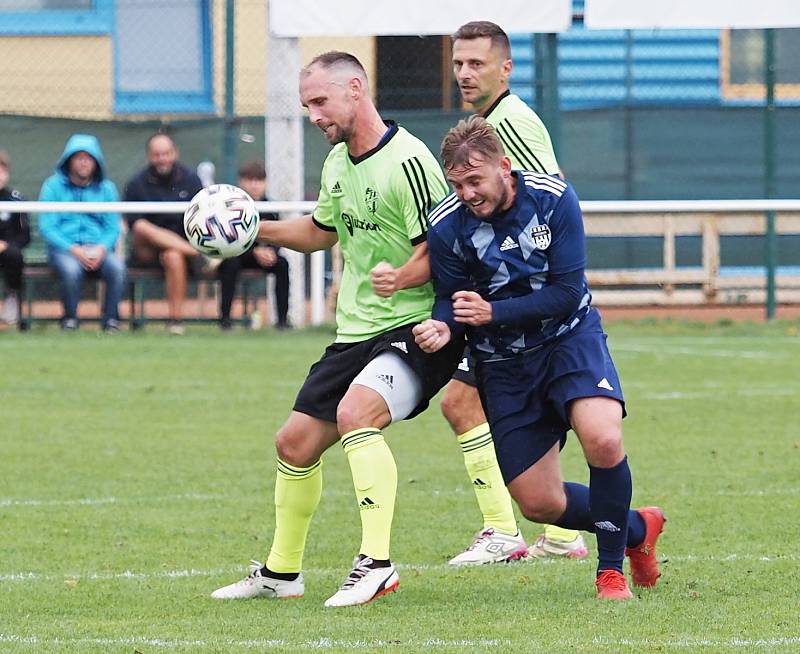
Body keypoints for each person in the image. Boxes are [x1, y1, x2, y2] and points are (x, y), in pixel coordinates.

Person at [211, 51, 462, 608]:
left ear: (355, 89)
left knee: (355, 416)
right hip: (356, 331)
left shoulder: (410, 160)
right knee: (294, 444)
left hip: (417, 328)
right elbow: (321, 231)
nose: (314, 115)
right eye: (306, 106)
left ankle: (376, 564)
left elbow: (441, 252)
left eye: (320, 102)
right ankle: (281, 574)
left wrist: (402, 276)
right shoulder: (336, 163)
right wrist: (252, 227)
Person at [414, 116, 665, 599]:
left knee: (604, 439)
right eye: (457, 183)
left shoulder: (552, 199)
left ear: (504, 168)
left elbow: (568, 292)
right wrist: (443, 324)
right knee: (539, 503)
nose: (467, 193)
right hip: (504, 366)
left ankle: (609, 572)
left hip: (569, 341)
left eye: (475, 180)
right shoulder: (447, 224)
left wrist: (491, 312)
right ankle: (637, 529)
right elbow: (451, 297)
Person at [442, 20, 586, 565]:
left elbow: (548, 197)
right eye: (458, 63)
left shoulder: (510, 122)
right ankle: (562, 534)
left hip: (522, 306)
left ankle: (503, 530)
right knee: (471, 405)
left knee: (460, 402)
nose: (463, 73)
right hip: (506, 300)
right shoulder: (488, 122)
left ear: (506, 68)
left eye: (475, 63)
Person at [38, 134, 126, 332]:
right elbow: (47, 226)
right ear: (69, 160)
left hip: (99, 249)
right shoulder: (52, 187)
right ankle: (70, 320)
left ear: (96, 162)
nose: (84, 162)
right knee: (70, 270)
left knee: (117, 267)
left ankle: (111, 321)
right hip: (65, 250)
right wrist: (74, 250)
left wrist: (102, 248)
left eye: (89, 157)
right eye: (78, 157)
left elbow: (113, 227)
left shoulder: (107, 189)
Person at [124, 132, 207, 335]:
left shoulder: (191, 180)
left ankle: (175, 321)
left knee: (173, 255)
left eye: (166, 153)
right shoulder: (136, 184)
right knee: (142, 227)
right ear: (149, 156)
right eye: (156, 154)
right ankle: (194, 252)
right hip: (147, 251)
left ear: (175, 153)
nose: (162, 159)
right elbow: (134, 225)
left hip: (182, 250)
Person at [217, 161, 290, 330]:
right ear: (240, 182)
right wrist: (253, 251)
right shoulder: (231, 208)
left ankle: (282, 321)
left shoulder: (270, 208)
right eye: (249, 180)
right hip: (238, 256)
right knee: (230, 264)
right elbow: (229, 239)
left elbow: (279, 234)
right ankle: (225, 320)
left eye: (259, 180)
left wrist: (271, 252)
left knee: (282, 264)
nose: (254, 185)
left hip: (264, 257)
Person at [0, 150, 30, 325]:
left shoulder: (16, 200)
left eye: (2, 171)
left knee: (14, 256)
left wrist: (6, 245)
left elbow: (24, 236)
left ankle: (12, 299)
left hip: (8, 252)